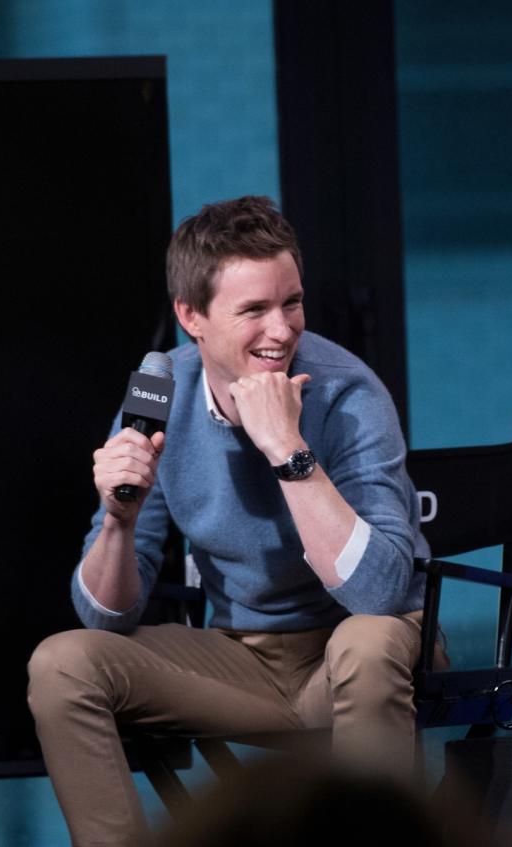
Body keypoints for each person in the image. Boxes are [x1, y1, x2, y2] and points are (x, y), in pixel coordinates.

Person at [27, 196, 432, 846]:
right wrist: (120, 521)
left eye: (291, 302)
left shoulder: (348, 394)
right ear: (192, 317)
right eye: (253, 310)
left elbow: (381, 594)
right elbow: (105, 618)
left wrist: (288, 451)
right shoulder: (162, 397)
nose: (281, 329)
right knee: (62, 662)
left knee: (369, 643)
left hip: (353, 649)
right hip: (241, 657)